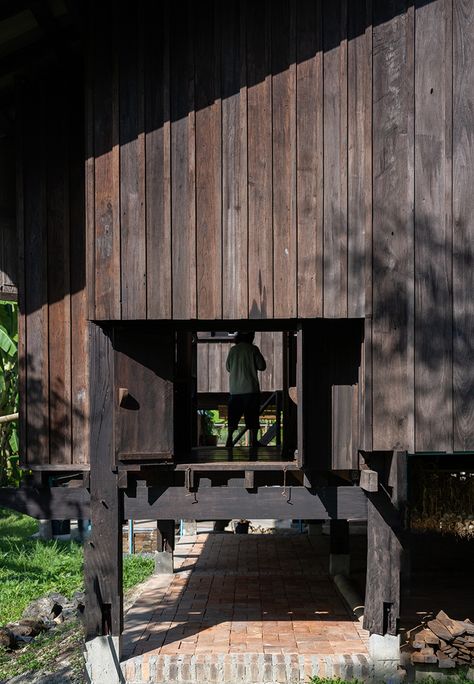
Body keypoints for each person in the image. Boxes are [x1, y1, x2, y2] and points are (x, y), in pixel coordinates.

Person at [225, 331, 266, 449]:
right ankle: (254, 441)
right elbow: (262, 366)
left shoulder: (233, 350)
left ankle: (229, 439)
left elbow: (228, 367)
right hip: (251, 389)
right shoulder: (253, 349)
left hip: (235, 390)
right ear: (250, 337)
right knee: (252, 416)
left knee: (233, 416)